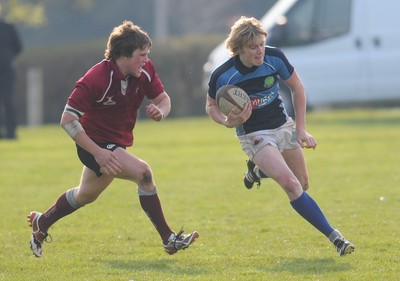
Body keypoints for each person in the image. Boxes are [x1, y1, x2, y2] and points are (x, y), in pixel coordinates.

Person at [27, 21, 199, 258]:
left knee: (85, 195)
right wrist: (97, 152)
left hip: (115, 145)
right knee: (144, 173)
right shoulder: (96, 77)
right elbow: (67, 120)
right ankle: (169, 238)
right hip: (92, 144)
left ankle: (41, 222)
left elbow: (163, 98)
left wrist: (161, 110)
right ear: (124, 55)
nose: (146, 59)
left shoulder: (144, 70)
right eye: (141, 54)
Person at [206, 16, 354, 256]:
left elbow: (297, 88)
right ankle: (336, 238)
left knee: (303, 183)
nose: (260, 51)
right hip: (253, 133)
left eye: (262, 44)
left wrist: (302, 129)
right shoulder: (224, 74)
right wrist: (226, 121)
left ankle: (257, 171)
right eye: (253, 47)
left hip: (282, 124)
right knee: (291, 184)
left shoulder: (275, 58)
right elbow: (210, 105)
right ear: (240, 48)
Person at [0, 4, 22, 139]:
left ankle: (11, 132)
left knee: (7, 100)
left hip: (7, 69)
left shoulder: (9, 27)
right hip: (7, 65)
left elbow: (18, 47)